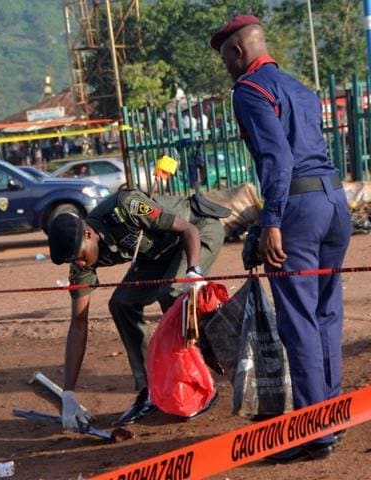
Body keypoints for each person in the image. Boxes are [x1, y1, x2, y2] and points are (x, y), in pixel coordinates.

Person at [211, 15, 351, 461]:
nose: (228, 69)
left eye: (226, 60)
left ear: (236, 52)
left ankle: (314, 432)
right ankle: (334, 417)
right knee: (326, 312)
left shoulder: (249, 90)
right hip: (334, 204)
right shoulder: (301, 88)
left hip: (297, 213)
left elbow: (276, 158)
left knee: (300, 321)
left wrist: (270, 220)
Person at [47, 189, 227, 430]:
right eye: (74, 261)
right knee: (121, 304)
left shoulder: (125, 208)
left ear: (88, 234)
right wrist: (68, 394)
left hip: (198, 231)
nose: (79, 263)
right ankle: (150, 390)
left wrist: (194, 271)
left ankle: (200, 381)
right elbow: (78, 323)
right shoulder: (79, 264)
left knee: (172, 293)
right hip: (156, 255)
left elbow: (188, 230)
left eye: (80, 256)